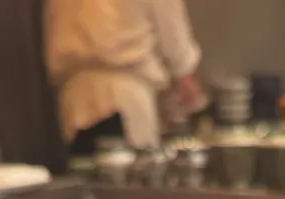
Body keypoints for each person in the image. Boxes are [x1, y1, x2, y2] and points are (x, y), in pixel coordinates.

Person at [44, 0, 207, 154]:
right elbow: (174, 40)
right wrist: (184, 74)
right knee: (131, 170)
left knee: (83, 169)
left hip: (74, 96)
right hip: (125, 98)